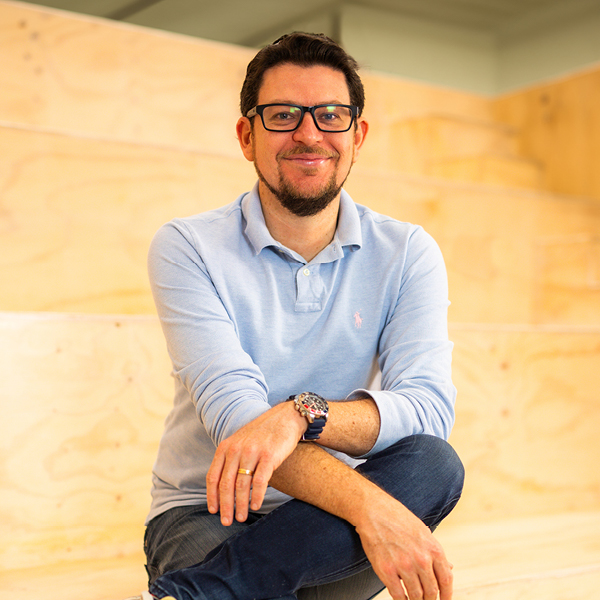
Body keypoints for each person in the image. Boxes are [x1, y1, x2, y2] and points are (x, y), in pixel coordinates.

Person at [136, 32, 464, 600]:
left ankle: (205, 593)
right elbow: (238, 422)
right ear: (248, 136)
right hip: (212, 510)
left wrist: (300, 415)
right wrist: (375, 510)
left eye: (331, 115)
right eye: (283, 115)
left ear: (357, 136)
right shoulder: (188, 246)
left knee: (435, 463)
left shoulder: (408, 252)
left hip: (330, 523)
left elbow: (429, 409)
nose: (309, 134)